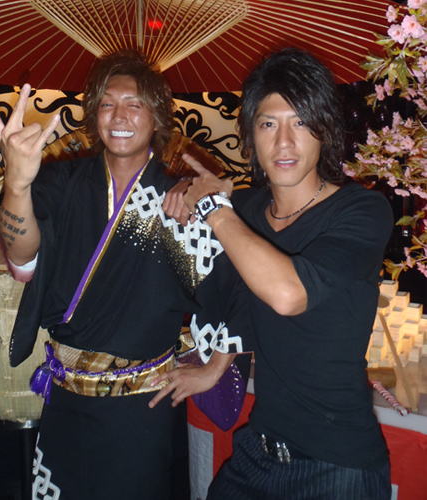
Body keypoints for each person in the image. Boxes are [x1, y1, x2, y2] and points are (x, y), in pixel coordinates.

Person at [0, 50, 249, 500]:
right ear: (94, 115)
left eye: (135, 104)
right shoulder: (61, 182)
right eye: (107, 104)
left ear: (157, 117)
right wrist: (17, 182)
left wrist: (213, 368)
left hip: (139, 407)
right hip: (65, 398)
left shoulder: (177, 202)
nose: (119, 116)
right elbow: (22, 255)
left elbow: (235, 286)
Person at [162, 48, 394, 499]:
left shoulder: (362, 210)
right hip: (258, 451)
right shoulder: (248, 210)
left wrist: (214, 207)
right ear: (250, 137)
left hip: (338, 465)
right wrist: (216, 365)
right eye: (268, 124)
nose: (284, 142)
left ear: (326, 131)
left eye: (301, 122)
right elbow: (242, 292)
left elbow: (287, 294)